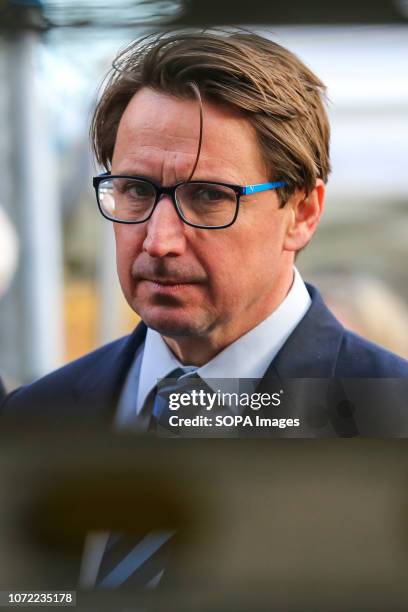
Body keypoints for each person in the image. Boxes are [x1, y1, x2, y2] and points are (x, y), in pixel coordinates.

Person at [2, 31, 408, 436]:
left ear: (302, 213)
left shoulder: (390, 422)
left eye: (209, 196)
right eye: (137, 190)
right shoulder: (33, 419)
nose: (159, 241)